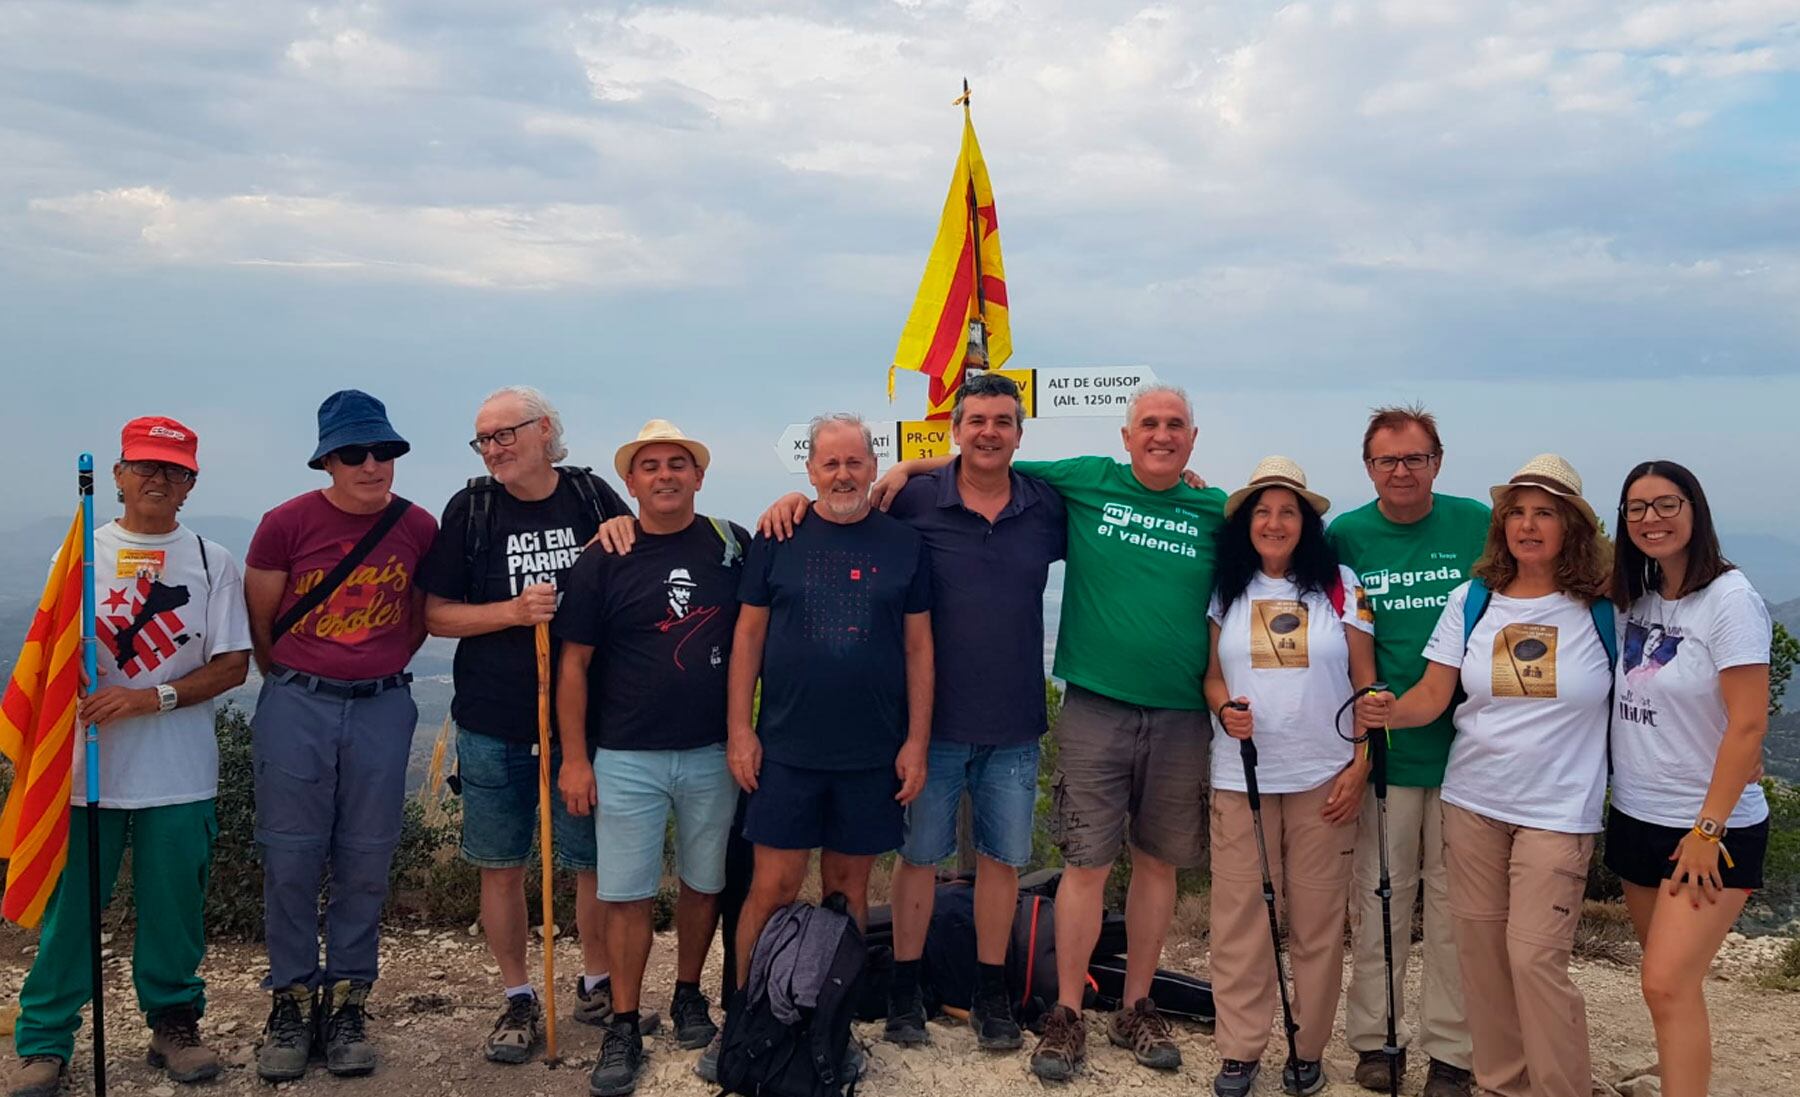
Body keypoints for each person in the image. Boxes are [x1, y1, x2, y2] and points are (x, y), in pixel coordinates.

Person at [873, 382, 1225, 1079]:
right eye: (1148, 423)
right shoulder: (939, 496)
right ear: (1126, 436)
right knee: (947, 857)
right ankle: (967, 999)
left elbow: (1283, 538)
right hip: (1005, 713)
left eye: (1174, 424)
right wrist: (904, 467)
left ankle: (1092, 999)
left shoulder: (1189, 506)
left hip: (1093, 715)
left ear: (1192, 436)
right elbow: (894, 497)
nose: (991, 431)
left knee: (1076, 860)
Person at [751, 372, 1065, 1051]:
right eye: (975, 420)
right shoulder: (914, 498)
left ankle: (990, 995)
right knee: (918, 857)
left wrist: (1184, 480)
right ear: (955, 429)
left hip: (1014, 721)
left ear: (1019, 431)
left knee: (1001, 862)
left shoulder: (1045, 504)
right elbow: (841, 509)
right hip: (933, 727)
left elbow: (1108, 489)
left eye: (1002, 421)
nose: (988, 432)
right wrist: (794, 500)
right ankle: (899, 994)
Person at [9, 418, 251, 1097]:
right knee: (70, 916)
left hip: (178, 774)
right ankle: (46, 1040)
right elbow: (50, 650)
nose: (158, 479)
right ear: (116, 474)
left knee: (174, 910)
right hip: (86, 774)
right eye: (145, 465)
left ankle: (174, 1025)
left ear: (192, 483)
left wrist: (154, 696)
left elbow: (232, 664)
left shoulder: (211, 559)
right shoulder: (81, 553)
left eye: (174, 470)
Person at [1358, 454, 1613, 1097]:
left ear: (1572, 526)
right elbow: (1433, 694)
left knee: (1534, 960)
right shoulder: (1472, 600)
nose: (1528, 526)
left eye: (1545, 513)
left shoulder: (1607, 606)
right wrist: (1388, 712)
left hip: (1559, 811)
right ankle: (1501, 1084)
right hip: (1473, 803)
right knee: (1482, 958)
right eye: (1517, 513)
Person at [417, 386, 631, 1065]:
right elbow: (436, 615)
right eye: (484, 439)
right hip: (492, 717)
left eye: (505, 433)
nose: (494, 448)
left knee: (588, 862)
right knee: (500, 865)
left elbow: (638, 567)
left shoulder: (592, 497)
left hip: (583, 721)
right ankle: (517, 995)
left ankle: (597, 984)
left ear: (545, 431)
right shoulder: (472, 507)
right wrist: (511, 612)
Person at [243, 390, 438, 1081]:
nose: (372, 464)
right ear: (328, 459)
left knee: (366, 856)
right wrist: (303, 679)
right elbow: (262, 623)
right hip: (299, 702)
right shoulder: (285, 523)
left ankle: (351, 999)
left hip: (383, 704)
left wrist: (372, 671)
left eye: (384, 451)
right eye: (355, 452)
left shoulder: (418, 526)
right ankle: (292, 1002)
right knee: (291, 857)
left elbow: (418, 616)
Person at [553, 421, 747, 1096]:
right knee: (627, 893)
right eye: (650, 466)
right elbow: (571, 666)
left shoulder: (732, 545)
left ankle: (689, 993)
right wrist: (575, 759)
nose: (664, 475)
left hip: (712, 751)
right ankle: (625, 1022)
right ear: (630, 482)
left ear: (698, 475)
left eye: (678, 464)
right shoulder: (603, 558)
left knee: (704, 882)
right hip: (627, 753)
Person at [727, 414, 933, 995]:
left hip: (872, 748)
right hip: (787, 745)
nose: (843, 475)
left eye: (854, 462)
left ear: (873, 466)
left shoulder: (905, 544)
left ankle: (829, 1019)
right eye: (830, 464)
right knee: (774, 885)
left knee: (847, 890)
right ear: (812, 470)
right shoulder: (777, 536)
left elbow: (919, 648)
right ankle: (748, 1010)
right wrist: (740, 729)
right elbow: (747, 638)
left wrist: (917, 741)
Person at [1203, 458, 1375, 1097]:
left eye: (1288, 511)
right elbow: (1211, 675)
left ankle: (1308, 1047)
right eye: (1263, 511)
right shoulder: (1228, 586)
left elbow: (1367, 681)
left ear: (1307, 522)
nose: (1274, 522)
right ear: (1247, 522)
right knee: (1241, 916)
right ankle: (1240, 1049)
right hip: (1239, 774)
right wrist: (1223, 708)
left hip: (1323, 778)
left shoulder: (1340, 586)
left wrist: (1361, 764)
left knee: (1317, 918)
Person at [1326, 405, 1484, 1097]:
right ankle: (1377, 1039)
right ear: (1368, 467)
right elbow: (1337, 637)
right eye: (1387, 460)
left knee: (1455, 909)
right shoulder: (1347, 536)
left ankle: (1453, 1049)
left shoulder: (1476, 524)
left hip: (1472, 754)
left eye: (1414, 458)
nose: (1401, 471)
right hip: (1386, 752)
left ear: (1437, 461)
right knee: (1379, 898)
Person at [1605, 461, 1771, 1097]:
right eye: (1637, 508)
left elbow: (1749, 725)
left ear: (1695, 510)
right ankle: (1682, 1076)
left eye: (1666, 504)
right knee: (1669, 981)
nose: (1651, 519)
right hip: (1638, 815)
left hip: (1706, 829)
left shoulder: (1731, 600)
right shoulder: (1641, 599)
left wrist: (1709, 828)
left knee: (1665, 982)